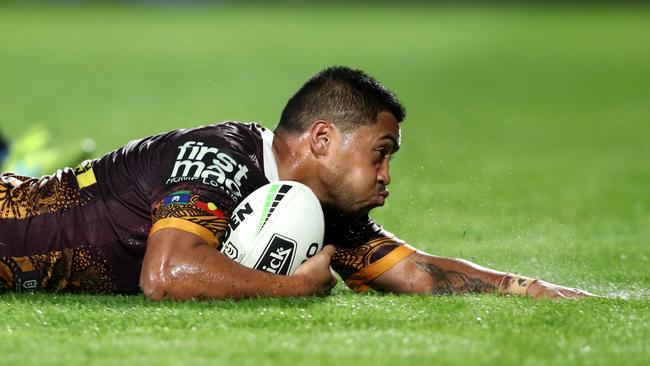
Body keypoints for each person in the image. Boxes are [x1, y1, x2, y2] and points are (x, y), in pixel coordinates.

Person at [0, 66, 594, 299]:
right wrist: (294, 289)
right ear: (320, 139)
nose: (386, 177)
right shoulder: (219, 159)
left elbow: (416, 272)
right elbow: (166, 274)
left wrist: (533, 290)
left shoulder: (318, 204)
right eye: (379, 154)